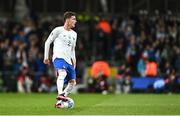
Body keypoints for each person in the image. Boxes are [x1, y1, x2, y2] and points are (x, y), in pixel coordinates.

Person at [43, 11, 77, 108]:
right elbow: (47, 42)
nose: (76, 21)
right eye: (74, 19)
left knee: (72, 82)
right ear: (67, 20)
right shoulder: (58, 30)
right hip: (58, 57)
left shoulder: (74, 34)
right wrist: (46, 57)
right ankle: (60, 93)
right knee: (62, 73)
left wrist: (74, 61)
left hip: (69, 60)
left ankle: (60, 101)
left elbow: (72, 49)